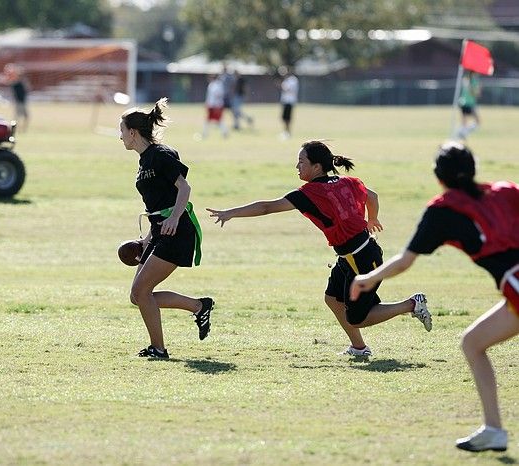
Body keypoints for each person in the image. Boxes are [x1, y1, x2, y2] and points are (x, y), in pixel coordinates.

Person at [350, 142, 519, 452]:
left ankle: (494, 429)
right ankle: (493, 430)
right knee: (472, 342)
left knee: (473, 343)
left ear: (438, 177)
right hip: (514, 293)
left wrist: (367, 279)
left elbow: (404, 262)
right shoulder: (507, 190)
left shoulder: (441, 210)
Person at [207, 140, 432, 357]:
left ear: (317, 166)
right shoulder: (347, 181)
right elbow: (372, 196)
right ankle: (360, 348)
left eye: (301, 162)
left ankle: (412, 304)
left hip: (361, 258)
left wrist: (231, 212)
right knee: (333, 299)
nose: (297, 166)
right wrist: (372, 219)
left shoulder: (309, 193)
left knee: (358, 318)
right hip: (352, 254)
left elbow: (267, 207)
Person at [120, 97, 214, 359]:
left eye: (121, 131)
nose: (120, 137)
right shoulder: (143, 160)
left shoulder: (161, 154)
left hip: (178, 230)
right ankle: (199, 306)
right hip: (160, 231)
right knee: (138, 296)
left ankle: (158, 349)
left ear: (133, 132)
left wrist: (174, 218)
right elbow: (157, 206)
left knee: (142, 292)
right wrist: (147, 239)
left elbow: (184, 188)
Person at [0, 63, 30, 132]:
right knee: (19, 116)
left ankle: (20, 129)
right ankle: (16, 129)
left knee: (21, 116)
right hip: (19, 101)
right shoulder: (14, 82)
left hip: (21, 100)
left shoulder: (19, 81)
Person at [456, 71, 481, 140]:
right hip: (468, 103)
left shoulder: (467, 79)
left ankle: (461, 133)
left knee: (465, 122)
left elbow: (477, 94)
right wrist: (476, 90)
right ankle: (462, 133)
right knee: (477, 121)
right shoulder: (471, 81)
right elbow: (475, 93)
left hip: (463, 102)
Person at [202, 74, 227, 139]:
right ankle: (205, 133)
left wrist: (216, 105)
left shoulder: (217, 85)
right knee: (210, 120)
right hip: (212, 105)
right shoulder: (213, 84)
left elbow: (218, 95)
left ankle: (224, 132)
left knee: (218, 120)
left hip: (215, 106)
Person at [279, 67, 299, 139]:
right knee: (284, 118)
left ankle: (288, 132)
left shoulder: (293, 80)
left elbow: (289, 89)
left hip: (290, 101)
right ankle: (285, 131)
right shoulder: (286, 80)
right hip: (285, 101)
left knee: (288, 118)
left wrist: (282, 85)